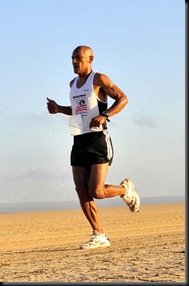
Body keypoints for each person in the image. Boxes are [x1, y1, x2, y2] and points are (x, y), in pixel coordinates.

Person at [47, 45, 140, 249]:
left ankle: (124, 190)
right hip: (79, 139)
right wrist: (59, 109)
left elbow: (123, 99)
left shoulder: (99, 79)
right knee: (81, 189)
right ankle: (99, 234)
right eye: (72, 58)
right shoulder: (72, 84)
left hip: (98, 139)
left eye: (78, 58)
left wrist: (105, 115)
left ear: (90, 59)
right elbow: (79, 109)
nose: (74, 61)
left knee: (96, 191)